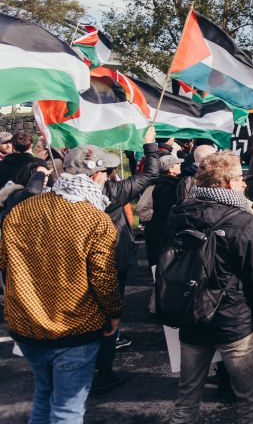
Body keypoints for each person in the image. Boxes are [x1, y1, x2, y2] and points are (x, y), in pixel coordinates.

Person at [0, 145, 123, 423]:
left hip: (27, 323)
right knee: (67, 408)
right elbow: (103, 277)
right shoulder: (96, 219)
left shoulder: (22, 209)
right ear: (95, 177)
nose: (108, 178)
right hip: (74, 326)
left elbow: (4, 262)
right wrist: (114, 314)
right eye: (107, 172)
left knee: (44, 394)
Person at [166, 151, 253, 424]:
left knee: (186, 400)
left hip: (192, 314)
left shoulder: (180, 212)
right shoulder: (242, 220)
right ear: (225, 183)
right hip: (234, 320)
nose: (244, 183)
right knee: (249, 403)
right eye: (239, 178)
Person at [94, 127, 161, 392]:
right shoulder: (112, 192)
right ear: (100, 174)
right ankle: (104, 368)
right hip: (113, 257)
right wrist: (150, 144)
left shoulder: (61, 194)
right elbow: (151, 174)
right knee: (110, 315)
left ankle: (91, 361)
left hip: (81, 261)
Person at [146, 155, 183, 269]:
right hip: (162, 230)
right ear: (170, 169)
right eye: (177, 164)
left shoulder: (157, 183)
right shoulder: (169, 187)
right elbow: (165, 211)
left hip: (153, 227)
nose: (180, 165)